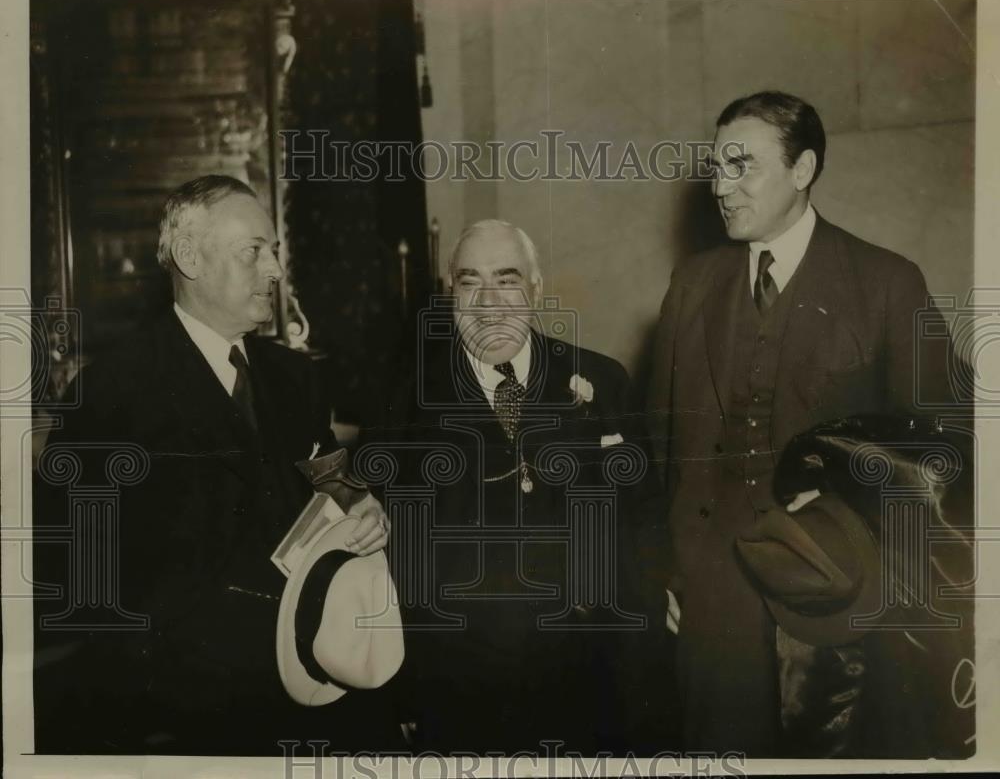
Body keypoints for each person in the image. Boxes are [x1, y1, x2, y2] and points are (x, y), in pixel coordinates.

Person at [33, 175, 396, 755]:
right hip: (186, 711)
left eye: (273, 251)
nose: (275, 270)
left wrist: (361, 502)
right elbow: (70, 569)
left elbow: (328, 471)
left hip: (310, 667)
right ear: (188, 256)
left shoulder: (294, 376)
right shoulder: (112, 393)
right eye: (255, 251)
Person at [645, 91, 958, 755]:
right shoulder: (691, 283)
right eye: (716, 167)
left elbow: (942, 451)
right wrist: (670, 570)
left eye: (743, 166)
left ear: (803, 168)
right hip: (712, 597)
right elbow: (663, 442)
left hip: (838, 597)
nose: (722, 187)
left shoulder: (885, 283)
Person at [364, 219, 671, 755]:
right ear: (449, 293)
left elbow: (643, 516)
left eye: (507, 280)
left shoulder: (603, 380)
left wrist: (643, 651)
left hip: (598, 690)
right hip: (467, 697)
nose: (489, 302)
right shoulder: (404, 402)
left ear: (535, 289)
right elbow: (393, 563)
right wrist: (407, 692)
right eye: (469, 281)